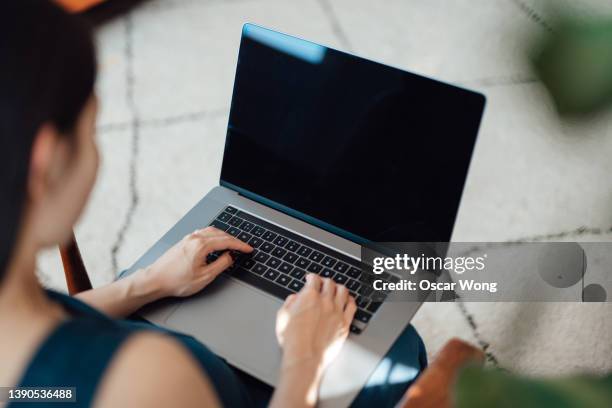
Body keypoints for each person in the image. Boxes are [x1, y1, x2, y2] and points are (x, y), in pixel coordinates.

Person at [0, 2, 426, 407]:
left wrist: (147, 282)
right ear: (49, 164)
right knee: (402, 351)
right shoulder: (144, 378)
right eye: (91, 130)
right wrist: (305, 360)